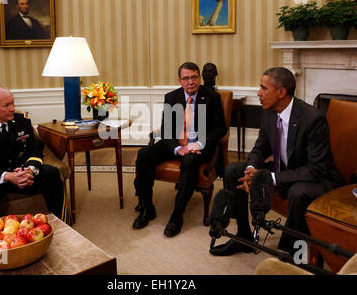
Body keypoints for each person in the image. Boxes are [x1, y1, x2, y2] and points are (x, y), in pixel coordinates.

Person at [210, 67, 345, 256]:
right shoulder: (269, 112)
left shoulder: (313, 119)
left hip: (316, 178)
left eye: (264, 88)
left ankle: (290, 253)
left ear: (281, 92)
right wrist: (251, 169)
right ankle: (244, 237)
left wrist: (268, 178)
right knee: (234, 171)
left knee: (298, 192)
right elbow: (260, 148)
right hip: (283, 170)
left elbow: (316, 169)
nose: (258, 93)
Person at [132, 62, 227, 237]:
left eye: (194, 77)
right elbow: (166, 130)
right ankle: (147, 208)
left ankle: (177, 214)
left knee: (190, 162)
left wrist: (198, 144)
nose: (190, 82)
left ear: (199, 78)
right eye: (186, 78)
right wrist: (177, 148)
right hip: (175, 144)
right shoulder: (171, 98)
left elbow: (220, 129)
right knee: (143, 154)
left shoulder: (211, 97)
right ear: (180, 80)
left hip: (199, 146)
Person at [0, 86, 67, 223]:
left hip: (22, 175)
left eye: (13, 103)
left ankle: (63, 224)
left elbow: (34, 150)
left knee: (52, 173)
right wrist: (8, 176)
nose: (12, 108)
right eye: (6, 105)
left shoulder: (22, 121)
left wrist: (31, 169)